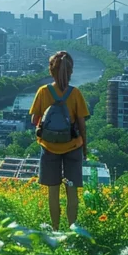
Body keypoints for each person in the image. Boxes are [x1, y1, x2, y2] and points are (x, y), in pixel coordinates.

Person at [29, 51, 89, 230]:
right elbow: (82, 124)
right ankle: (72, 230)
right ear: (70, 72)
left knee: (53, 193)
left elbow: (34, 120)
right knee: (72, 193)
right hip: (73, 147)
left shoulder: (43, 91)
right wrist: (84, 148)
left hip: (49, 148)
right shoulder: (75, 93)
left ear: (51, 71)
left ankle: (55, 229)